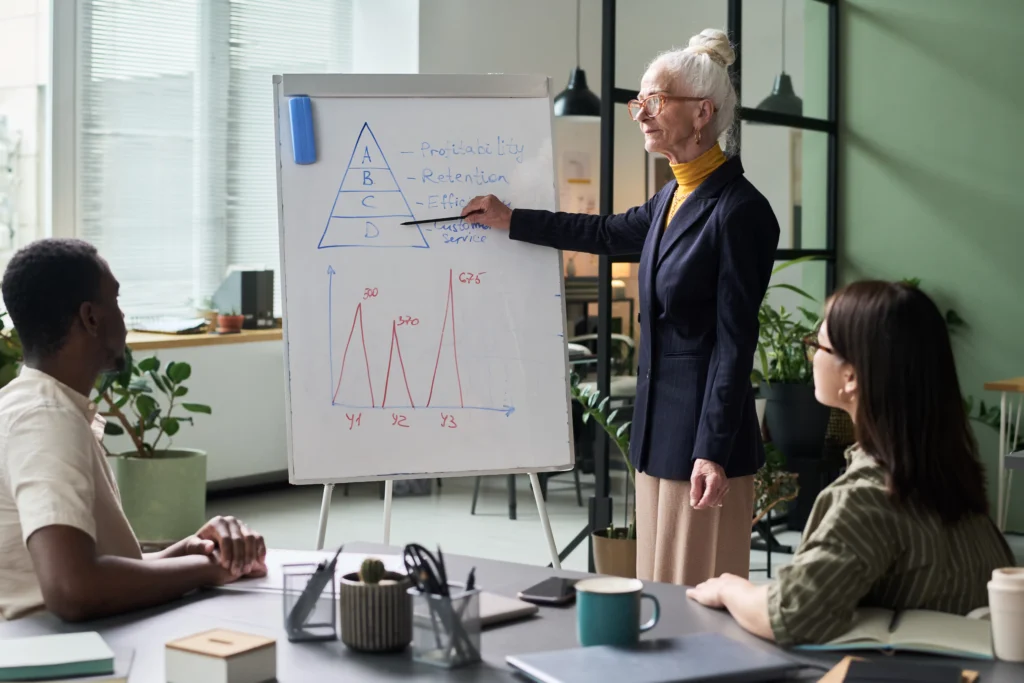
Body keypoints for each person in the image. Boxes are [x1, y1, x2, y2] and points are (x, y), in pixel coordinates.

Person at [462, 29, 780, 585]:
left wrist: (712, 451)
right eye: (640, 101)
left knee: (694, 598)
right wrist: (513, 219)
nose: (641, 114)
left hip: (705, 448)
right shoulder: (672, 197)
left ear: (703, 112)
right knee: (659, 589)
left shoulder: (740, 211)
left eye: (655, 101)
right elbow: (608, 232)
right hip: (657, 435)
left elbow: (735, 343)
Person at [686, 280, 1015, 645]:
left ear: (852, 377)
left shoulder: (869, 497)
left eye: (818, 346)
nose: (811, 357)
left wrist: (730, 588)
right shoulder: (950, 477)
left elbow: (791, 615)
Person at [0, 238, 268, 622]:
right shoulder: (45, 419)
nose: (124, 318)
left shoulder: (34, 404)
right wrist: (211, 570)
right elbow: (72, 588)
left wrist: (191, 550)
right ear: (91, 318)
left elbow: (107, 567)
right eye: (117, 302)